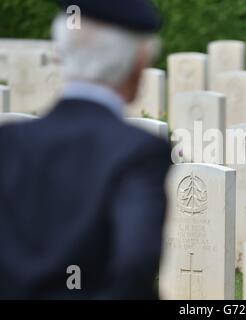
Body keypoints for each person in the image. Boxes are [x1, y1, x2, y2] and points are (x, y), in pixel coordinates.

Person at [0, 0, 171, 299]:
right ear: (138, 64)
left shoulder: (9, 142)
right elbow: (135, 261)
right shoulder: (140, 152)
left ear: (59, 54)